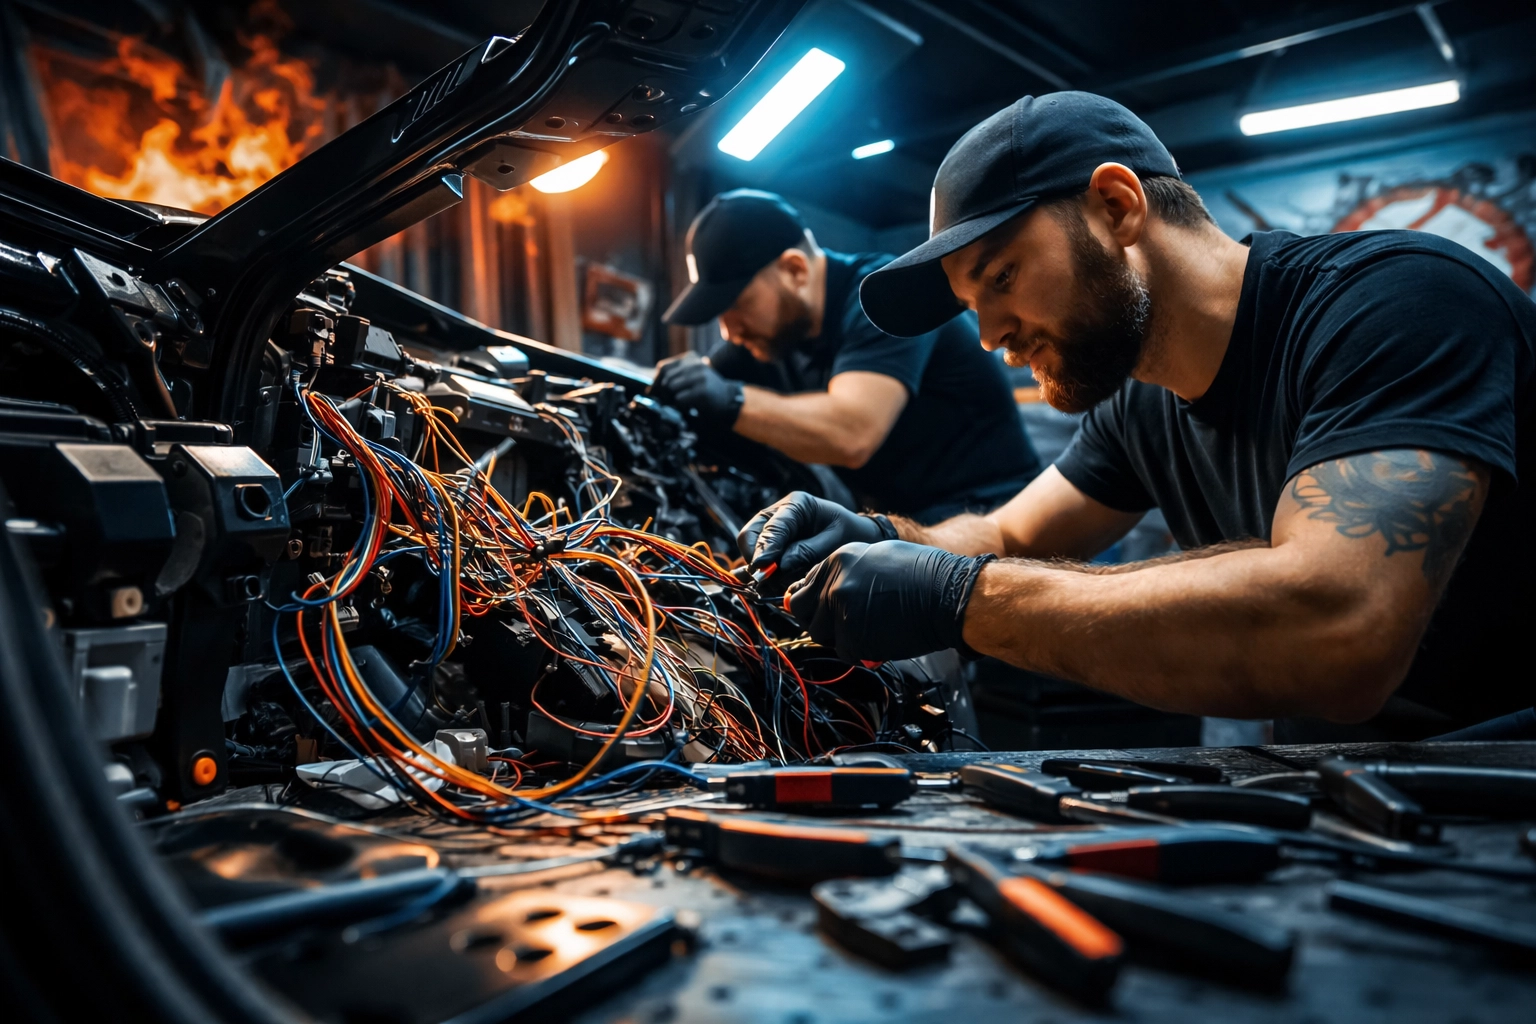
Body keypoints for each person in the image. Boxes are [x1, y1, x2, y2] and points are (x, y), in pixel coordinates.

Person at [748, 92, 1534, 742]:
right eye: (971, 305)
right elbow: (1011, 536)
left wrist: (960, 599)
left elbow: (1337, 627)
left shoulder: (1398, 305)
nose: (990, 337)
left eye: (1003, 277)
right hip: (1341, 781)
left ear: (1117, 207)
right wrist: (881, 540)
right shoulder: (1139, 399)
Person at [652, 189, 1040, 523]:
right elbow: (700, 387)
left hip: (1001, 516)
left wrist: (730, 399)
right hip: (903, 528)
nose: (727, 331)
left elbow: (852, 433)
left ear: (795, 270)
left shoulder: (882, 299)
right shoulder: (768, 335)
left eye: (737, 304)